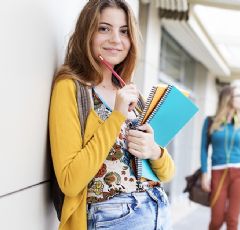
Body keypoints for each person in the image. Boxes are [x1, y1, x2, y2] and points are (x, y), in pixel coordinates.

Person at [49, 1, 175, 229]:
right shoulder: (71, 87)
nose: (116, 39)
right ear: (87, 33)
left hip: (158, 209)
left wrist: (154, 151)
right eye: (104, 28)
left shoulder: (129, 91)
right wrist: (116, 117)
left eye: (124, 31)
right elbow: (69, 180)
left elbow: (166, 173)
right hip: (113, 217)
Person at [200, 85, 240, 230]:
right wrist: (205, 173)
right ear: (228, 98)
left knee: (233, 219)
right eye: (239, 96)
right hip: (218, 172)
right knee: (216, 220)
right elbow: (203, 149)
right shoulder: (210, 121)